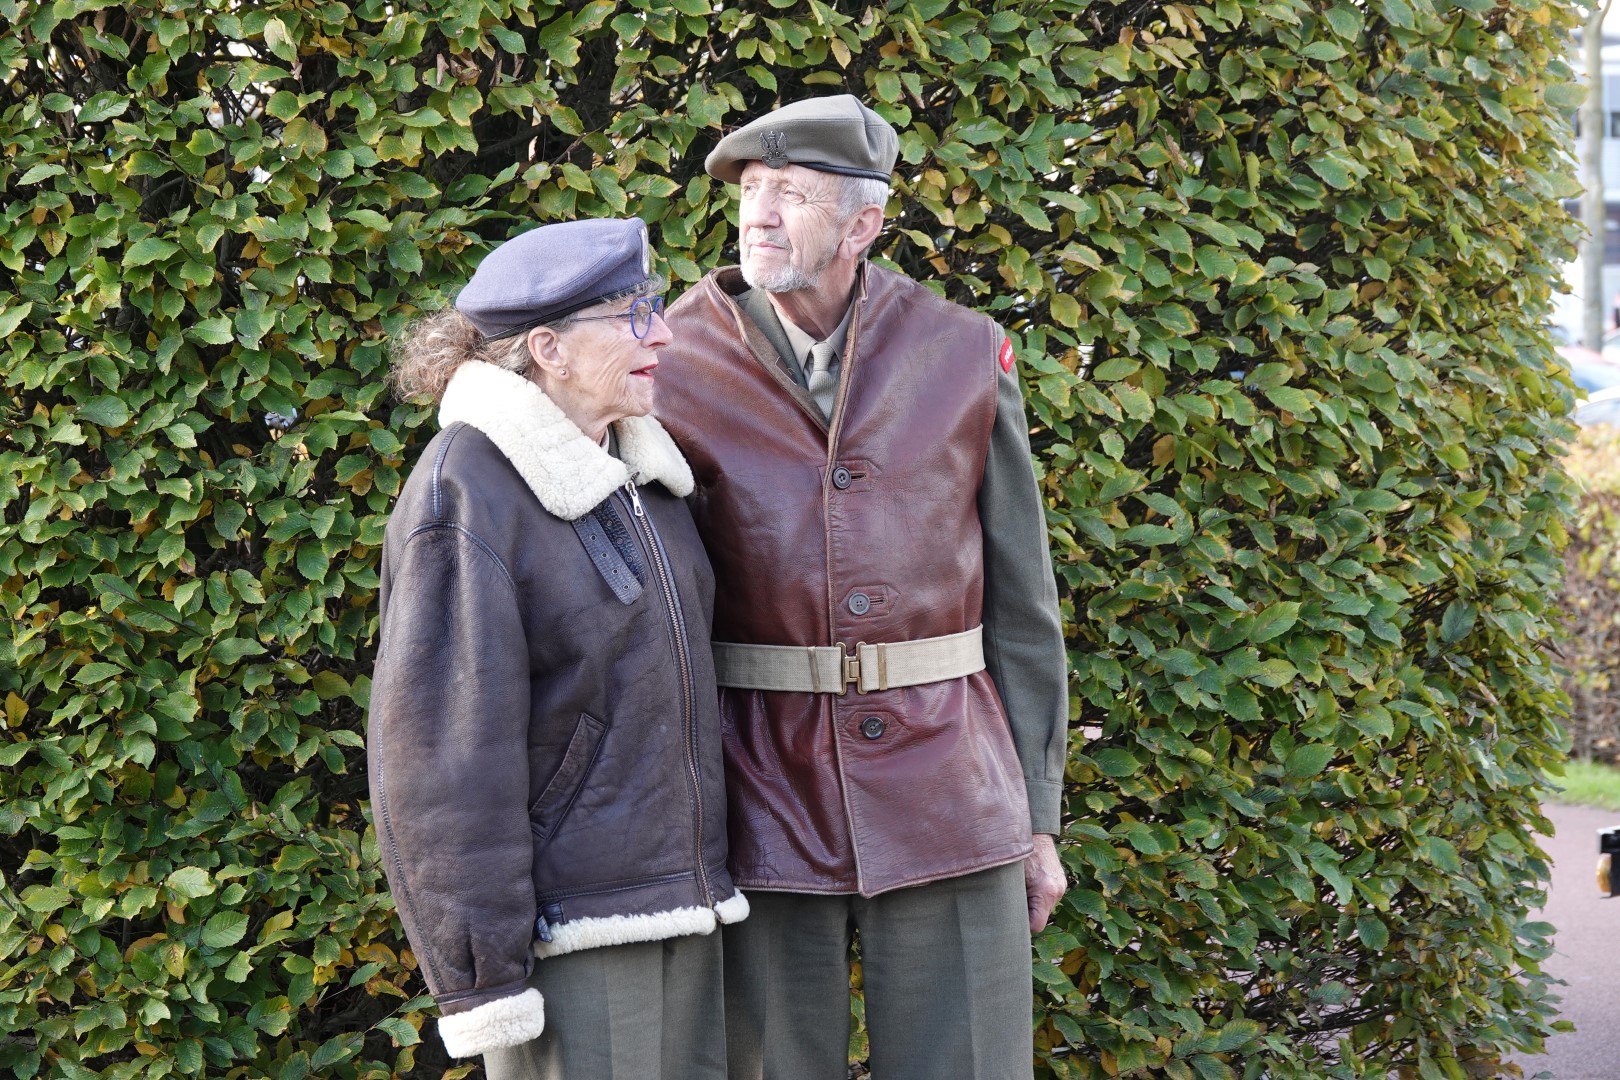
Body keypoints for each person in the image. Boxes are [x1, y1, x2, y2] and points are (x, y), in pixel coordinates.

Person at [655, 96, 1069, 1080]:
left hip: (951, 789)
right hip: (756, 792)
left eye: (788, 194)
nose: (757, 214)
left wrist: (1037, 815)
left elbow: (1023, 603)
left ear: (862, 226)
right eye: (749, 192)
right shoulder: (671, 358)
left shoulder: (963, 353)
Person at [367, 217, 746, 1079]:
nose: (665, 333)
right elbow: (441, 761)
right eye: (633, 315)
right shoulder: (466, 491)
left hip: (683, 909)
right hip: (574, 940)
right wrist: (482, 981)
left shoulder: (641, 473)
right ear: (549, 348)